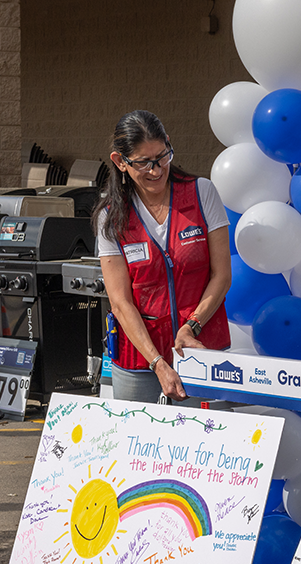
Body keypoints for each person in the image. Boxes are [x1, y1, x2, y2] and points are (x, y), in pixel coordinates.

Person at [94, 110, 231, 403]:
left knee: (207, 443)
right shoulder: (111, 218)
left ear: (168, 144)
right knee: (137, 446)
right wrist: (157, 362)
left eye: (162, 157)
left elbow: (222, 275)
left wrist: (192, 326)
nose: (155, 170)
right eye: (143, 163)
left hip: (199, 351)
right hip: (139, 362)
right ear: (120, 162)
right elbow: (120, 302)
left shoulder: (201, 193)